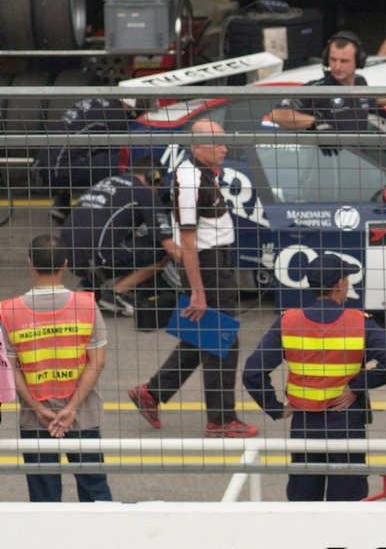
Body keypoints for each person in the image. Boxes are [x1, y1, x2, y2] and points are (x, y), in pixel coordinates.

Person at [128, 119, 258, 438]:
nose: (225, 148)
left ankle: (152, 393)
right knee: (222, 340)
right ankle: (221, 419)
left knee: (203, 336)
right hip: (206, 266)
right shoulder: (189, 180)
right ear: (198, 147)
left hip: (214, 262)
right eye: (218, 143)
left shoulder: (203, 173)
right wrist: (198, 291)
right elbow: (187, 241)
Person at [242, 253, 386, 501]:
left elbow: (252, 373)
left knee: (304, 500)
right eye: (347, 278)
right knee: (348, 500)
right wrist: (355, 386)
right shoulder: (359, 323)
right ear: (339, 284)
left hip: (304, 423)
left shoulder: (289, 321)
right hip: (346, 422)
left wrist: (275, 407)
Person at [0, 235, 112, 502]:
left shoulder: (9, 311)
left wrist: (38, 408)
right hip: (83, 414)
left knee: (43, 495)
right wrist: (71, 407)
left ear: (30, 264)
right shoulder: (86, 305)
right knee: (95, 488)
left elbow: (11, 369)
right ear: (65, 264)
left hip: (35, 418)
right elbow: (97, 361)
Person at [59, 156, 180, 318]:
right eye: (159, 184)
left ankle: (90, 284)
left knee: (125, 236)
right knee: (160, 251)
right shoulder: (145, 193)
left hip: (68, 255)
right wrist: (197, 270)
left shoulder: (107, 182)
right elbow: (170, 247)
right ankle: (116, 294)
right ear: (153, 177)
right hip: (95, 256)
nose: (158, 190)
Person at [33, 97, 142, 224]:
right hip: (59, 170)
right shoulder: (117, 115)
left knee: (80, 153)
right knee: (126, 159)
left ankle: (61, 204)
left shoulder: (96, 103)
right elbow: (123, 152)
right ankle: (112, 210)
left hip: (41, 166)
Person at [268, 32, 374, 132]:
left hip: (361, 146)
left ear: (358, 60)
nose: (337, 66)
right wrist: (316, 122)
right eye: (333, 60)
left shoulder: (360, 81)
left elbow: (370, 101)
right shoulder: (317, 89)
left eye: (344, 61)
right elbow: (276, 114)